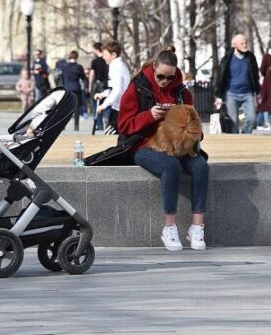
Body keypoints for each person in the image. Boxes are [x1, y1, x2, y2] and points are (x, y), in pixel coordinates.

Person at [118, 50, 209, 251]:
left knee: (201, 166)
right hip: (143, 145)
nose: (165, 81)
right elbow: (123, 125)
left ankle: (197, 226)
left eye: (170, 77)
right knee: (170, 166)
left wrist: (191, 130)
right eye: (161, 76)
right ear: (153, 68)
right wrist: (149, 116)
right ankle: (169, 227)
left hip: (180, 146)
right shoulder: (137, 88)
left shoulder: (182, 92)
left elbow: (194, 124)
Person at [214, 34, 260, 134]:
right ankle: (234, 144)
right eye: (242, 43)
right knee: (233, 123)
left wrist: (258, 92)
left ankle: (245, 136)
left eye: (245, 43)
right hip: (231, 94)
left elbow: (255, 76)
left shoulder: (250, 58)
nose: (245, 45)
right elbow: (220, 77)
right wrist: (219, 96)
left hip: (247, 93)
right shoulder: (227, 59)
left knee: (251, 119)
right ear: (235, 45)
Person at [95, 41, 131, 134]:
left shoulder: (116, 66)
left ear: (113, 55)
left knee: (110, 136)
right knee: (113, 137)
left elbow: (117, 90)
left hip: (121, 108)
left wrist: (104, 105)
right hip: (119, 107)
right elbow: (114, 88)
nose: (103, 57)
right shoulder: (117, 65)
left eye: (105, 55)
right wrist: (103, 94)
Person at [61, 50, 87, 131]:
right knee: (76, 108)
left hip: (67, 88)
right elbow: (83, 77)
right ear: (77, 57)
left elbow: (62, 78)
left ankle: (63, 125)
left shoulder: (64, 67)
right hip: (76, 88)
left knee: (66, 108)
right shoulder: (79, 67)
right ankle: (76, 125)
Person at [88, 42, 109, 131]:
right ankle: (106, 122)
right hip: (106, 85)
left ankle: (99, 125)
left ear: (96, 50)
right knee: (106, 104)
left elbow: (92, 75)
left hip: (97, 85)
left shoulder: (95, 61)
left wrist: (89, 86)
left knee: (95, 105)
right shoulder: (107, 59)